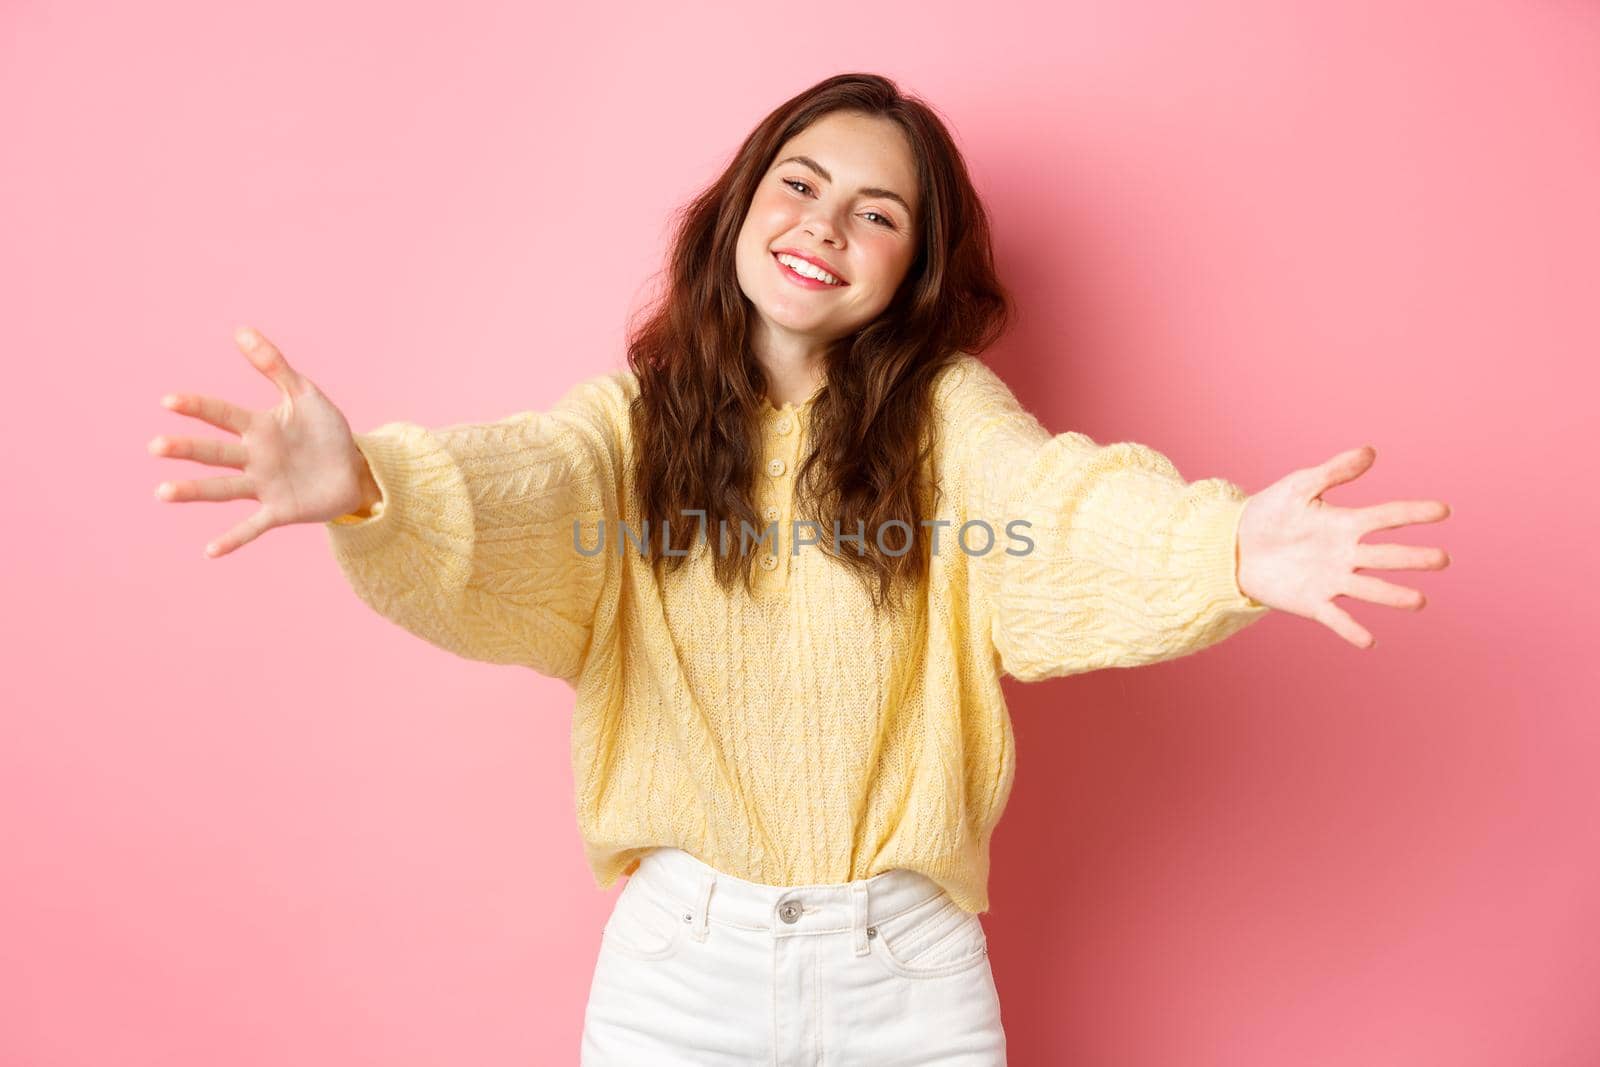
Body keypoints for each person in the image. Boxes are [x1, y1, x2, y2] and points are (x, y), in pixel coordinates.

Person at [149, 72, 1451, 1065]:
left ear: (912, 270)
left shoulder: (946, 416)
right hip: (678, 978)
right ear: (740, 205)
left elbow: (1051, 510)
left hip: (912, 976)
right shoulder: (633, 424)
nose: (824, 223)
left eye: (875, 212)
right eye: (799, 182)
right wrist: (373, 486)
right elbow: (525, 486)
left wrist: (1219, 547)